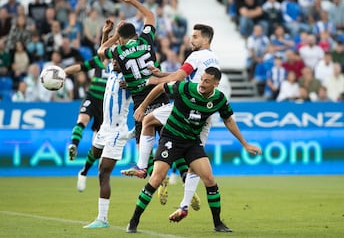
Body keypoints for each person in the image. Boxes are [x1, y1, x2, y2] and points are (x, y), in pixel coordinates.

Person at [127, 67, 262, 233]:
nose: (202, 84)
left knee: (209, 179)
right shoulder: (185, 88)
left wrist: (245, 144)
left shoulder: (219, 99)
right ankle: (133, 222)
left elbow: (228, 120)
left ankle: (218, 224)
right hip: (171, 138)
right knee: (156, 178)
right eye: (202, 79)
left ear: (216, 84)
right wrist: (142, 107)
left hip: (191, 142)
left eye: (207, 81)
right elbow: (161, 87)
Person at [121, 23, 224, 211]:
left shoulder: (196, 56)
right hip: (205, 114)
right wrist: (163, 74)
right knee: (195, 158)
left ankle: (142, 166)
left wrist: (153, 81)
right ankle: (184, 204)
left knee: (148, 120)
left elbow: (179, 79)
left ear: (205, 39)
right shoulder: (213, 59)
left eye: (195, 37)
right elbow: (187, 76)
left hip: (187, 105)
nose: (191, 40)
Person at [97, 0, 169, 157]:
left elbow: (101, 51)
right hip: (159, 94)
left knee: (142, 145)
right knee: (167, 140)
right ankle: (180, 172)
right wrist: (132, 1)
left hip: (140, 102)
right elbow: (150, 15)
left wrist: (114, 36)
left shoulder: (119, 51)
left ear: (121, 39)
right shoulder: (145, 40)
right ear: (135, 33)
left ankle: (147, 172)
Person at [83, 58, 133, 228]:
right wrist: (107, 33)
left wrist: (133, 86)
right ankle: (82, 173)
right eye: (112, 59)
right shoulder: (112, 72)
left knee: (103, 173)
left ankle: (102, 219)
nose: (113, 61)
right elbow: (102, 51)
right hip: (105, 128)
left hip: (116, 132)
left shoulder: (129, 79)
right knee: (94, 153)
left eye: (116, 60)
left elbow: (142, 89)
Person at [65, 20, 114, 192]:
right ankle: (73, 145)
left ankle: (83, 172)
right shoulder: (98, 61)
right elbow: (79, 67)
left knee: (97, 148)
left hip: (106, 106)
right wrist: (62, 73)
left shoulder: (120, 65)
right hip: (92, 97)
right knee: (82, 120)